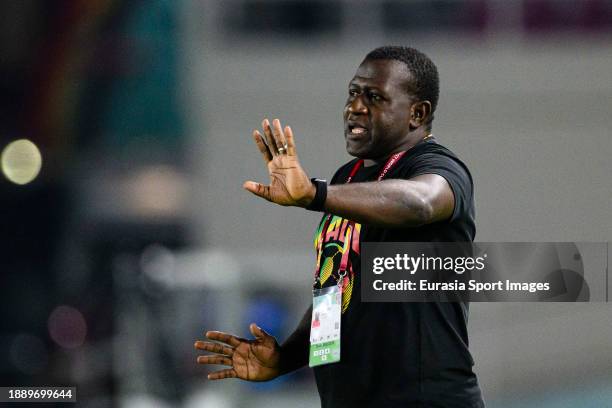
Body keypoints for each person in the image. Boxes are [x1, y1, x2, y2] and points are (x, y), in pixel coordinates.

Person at [194, 46, 485, 407]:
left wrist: (315, 195)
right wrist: (285, 358)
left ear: (417, 113)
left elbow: (422, 202)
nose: (355, 107)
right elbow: (334, 298)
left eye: (374, 97)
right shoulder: (345, 180)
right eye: (353, 93)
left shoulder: (437, 165)